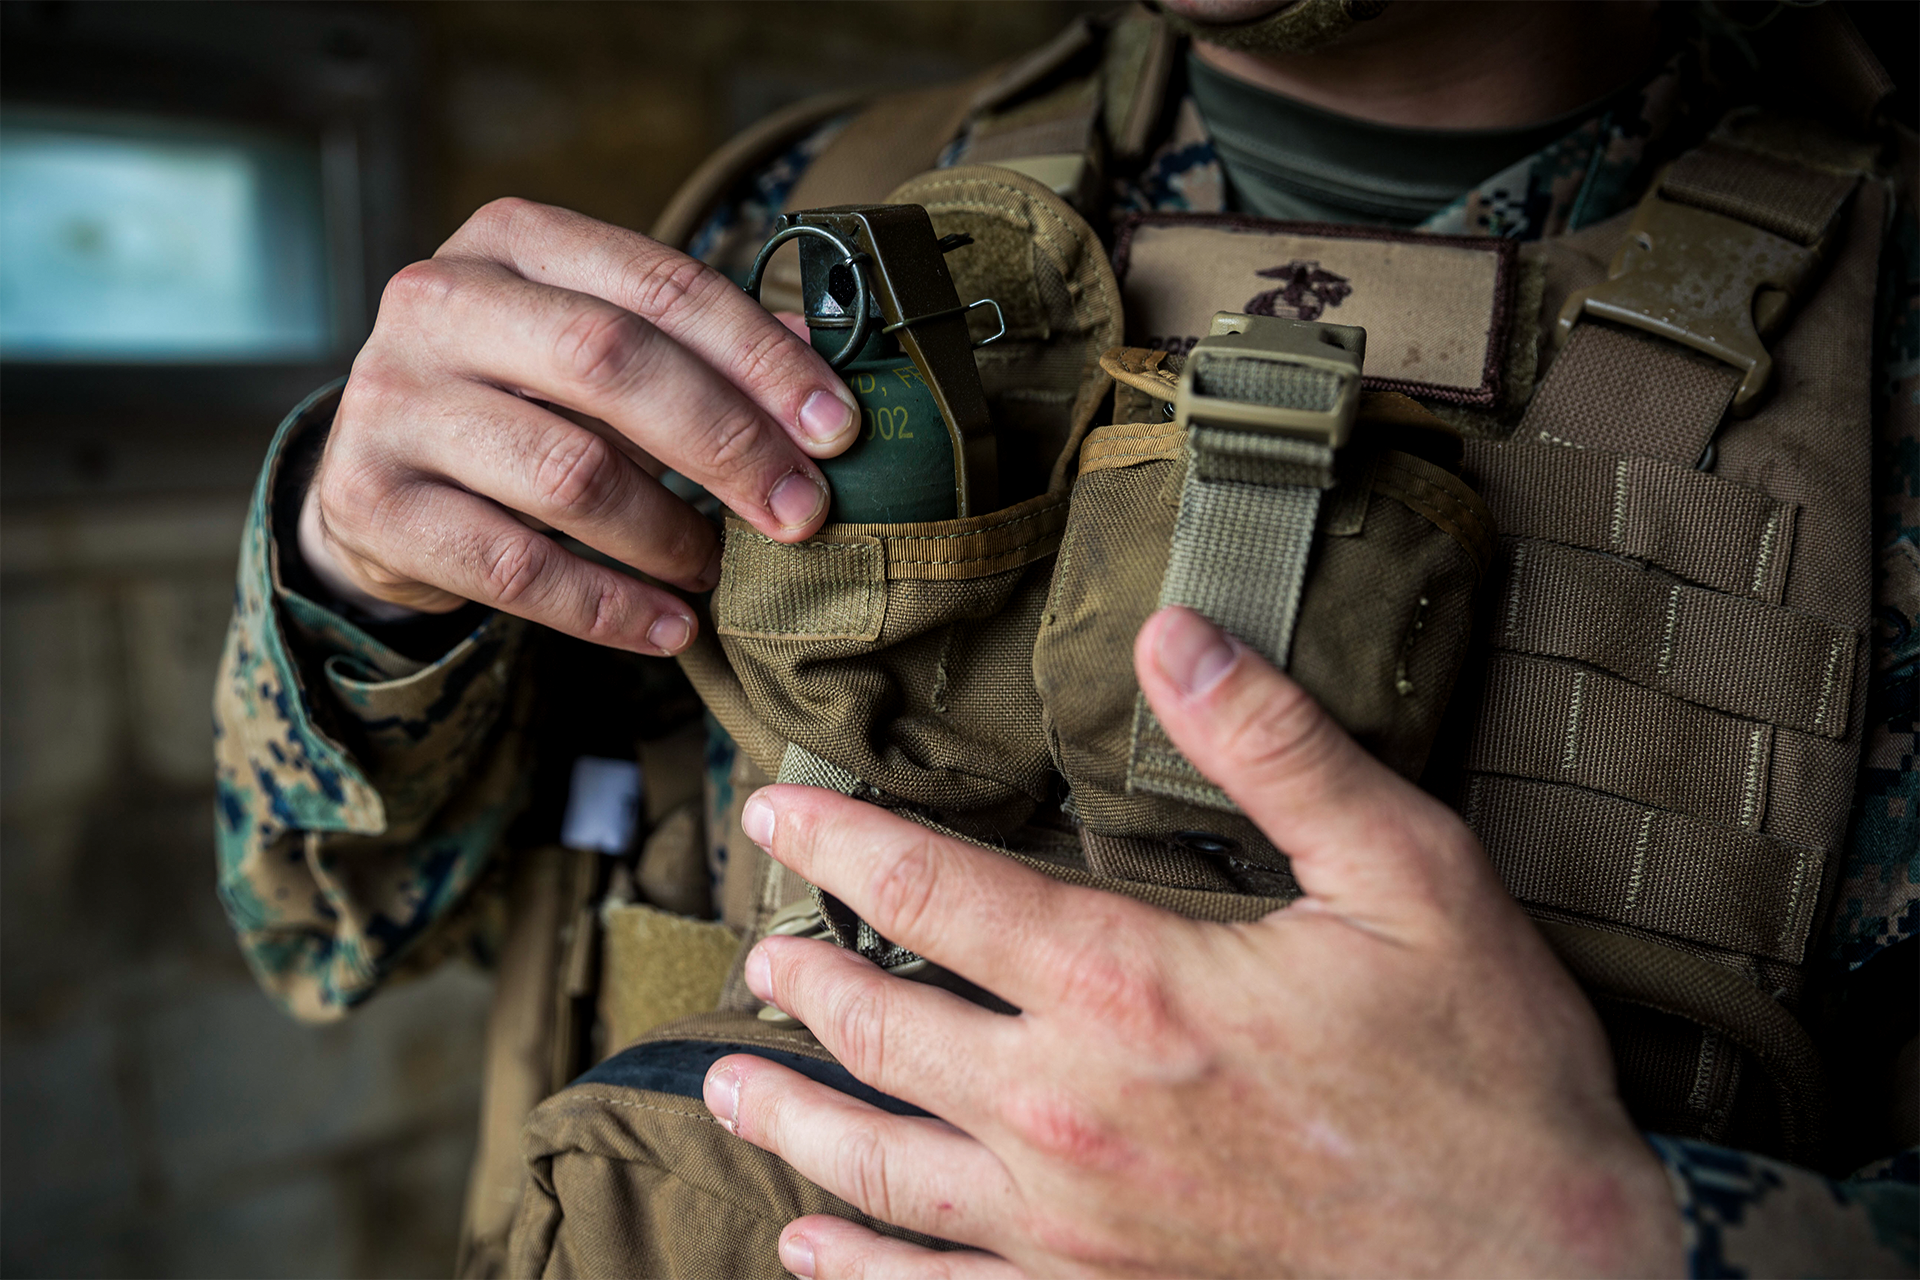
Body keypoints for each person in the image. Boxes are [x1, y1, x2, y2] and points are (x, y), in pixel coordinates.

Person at [211, 0, 1920, 1274]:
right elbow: (333, 936)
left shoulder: (1877, 326)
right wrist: (354, 583)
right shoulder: (803, 211)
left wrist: (1596, 1239)